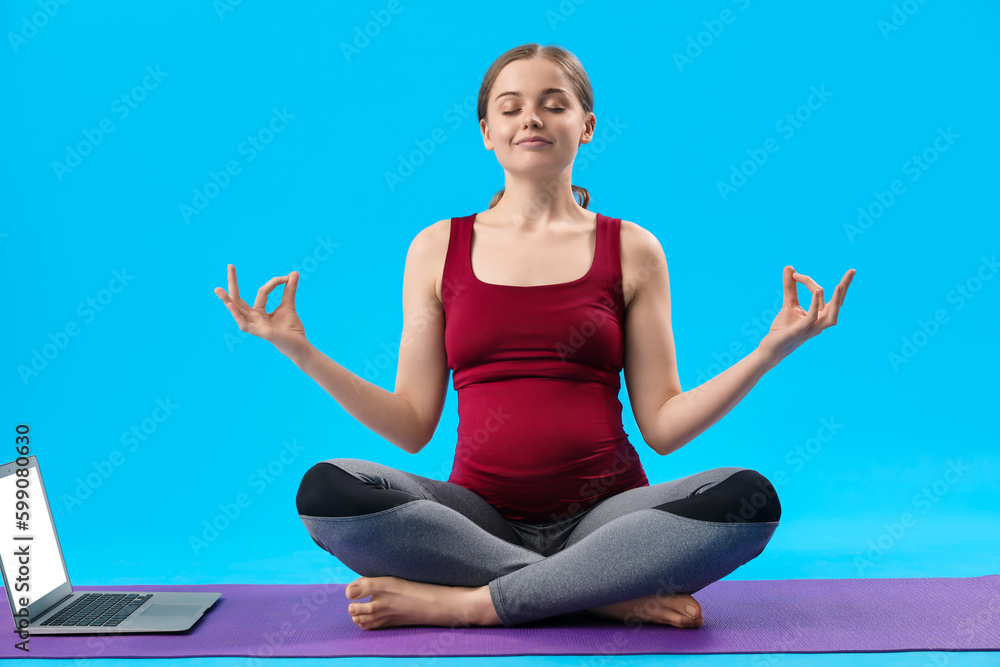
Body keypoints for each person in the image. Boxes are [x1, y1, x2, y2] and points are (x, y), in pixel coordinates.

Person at [214, 43, 855, 632]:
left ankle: (475, 603)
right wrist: (300, 350)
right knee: (328, 492)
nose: (533, 119)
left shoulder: (632, 249)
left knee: (749, 500)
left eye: (555, 104)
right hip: (472, 520)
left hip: (609, 521)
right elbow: (411, 425)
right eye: (511, 106)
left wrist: (769, 352)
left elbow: (663, 425)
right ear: (487, 132)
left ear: (587, 125)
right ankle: (596, 595)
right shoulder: (436, 248)